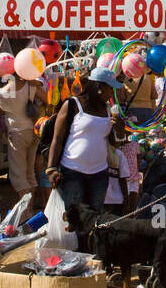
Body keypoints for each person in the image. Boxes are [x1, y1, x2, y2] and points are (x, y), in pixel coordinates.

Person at [46, 67, 120, 212]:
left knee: (94, 218)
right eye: (110, 88)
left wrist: (119, 129)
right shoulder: (72, 105)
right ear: (99, 88)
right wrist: (51, 169)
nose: (112, 93)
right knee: (76, 218)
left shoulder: (107, 109)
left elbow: (112, 142)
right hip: (73, 172)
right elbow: (57, 139)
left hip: (100, 173)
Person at [0, 66, 46, 213]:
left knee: (18, 174)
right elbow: (49, 99)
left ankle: (26, 211)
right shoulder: (31, 87)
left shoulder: (0, 94)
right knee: (29, 172)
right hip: (33, 131)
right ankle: (29, 209)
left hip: (16, 134)